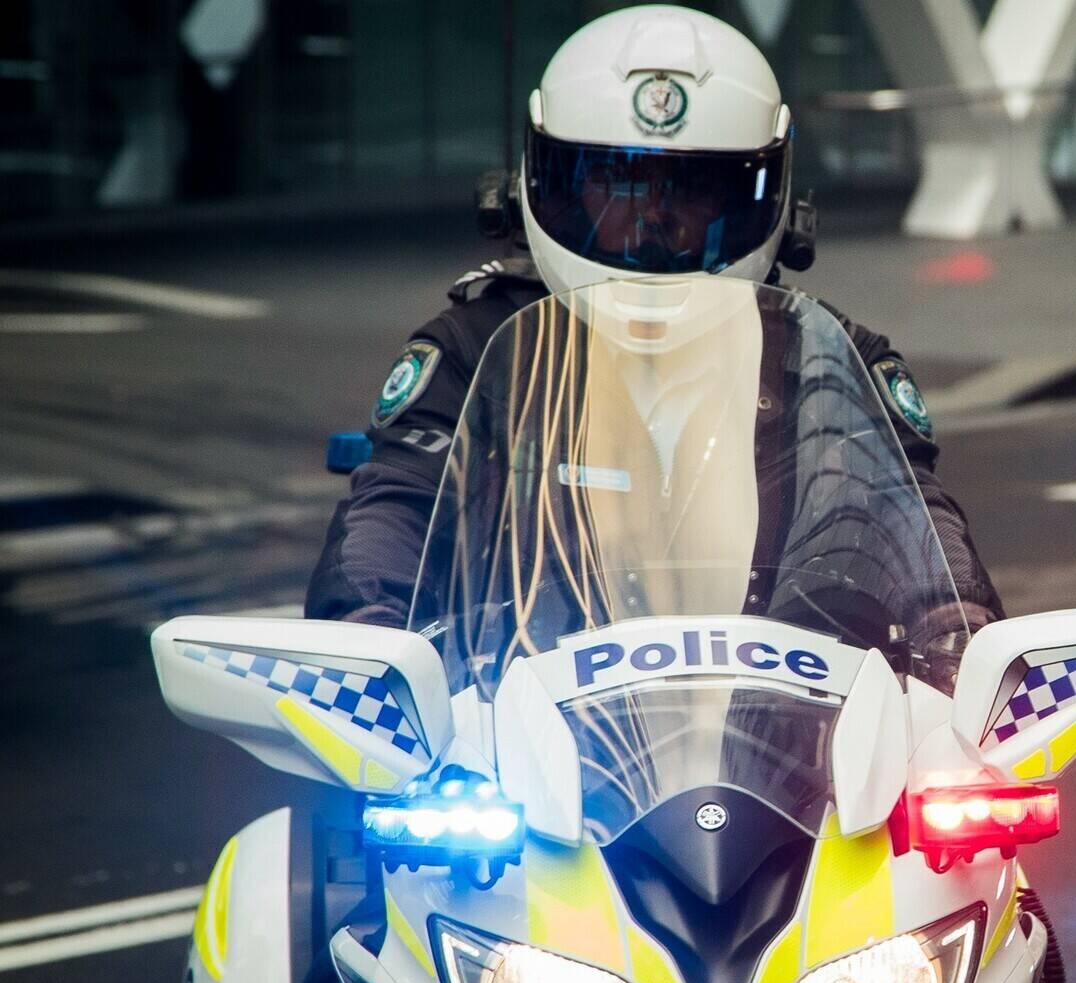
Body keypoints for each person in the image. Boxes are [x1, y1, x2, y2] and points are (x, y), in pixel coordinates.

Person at [306, 4, 1003, 652]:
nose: (654, 217)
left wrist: (959, 631)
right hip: (519, 729)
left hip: (796, 736)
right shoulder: (471, 347)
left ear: (769, 200)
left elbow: (913, 515)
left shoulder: (831, 358)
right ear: (543, 184)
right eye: (618, 182)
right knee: (361, 774)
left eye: (694, 188)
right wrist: (369, 635)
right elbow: (398, 502)